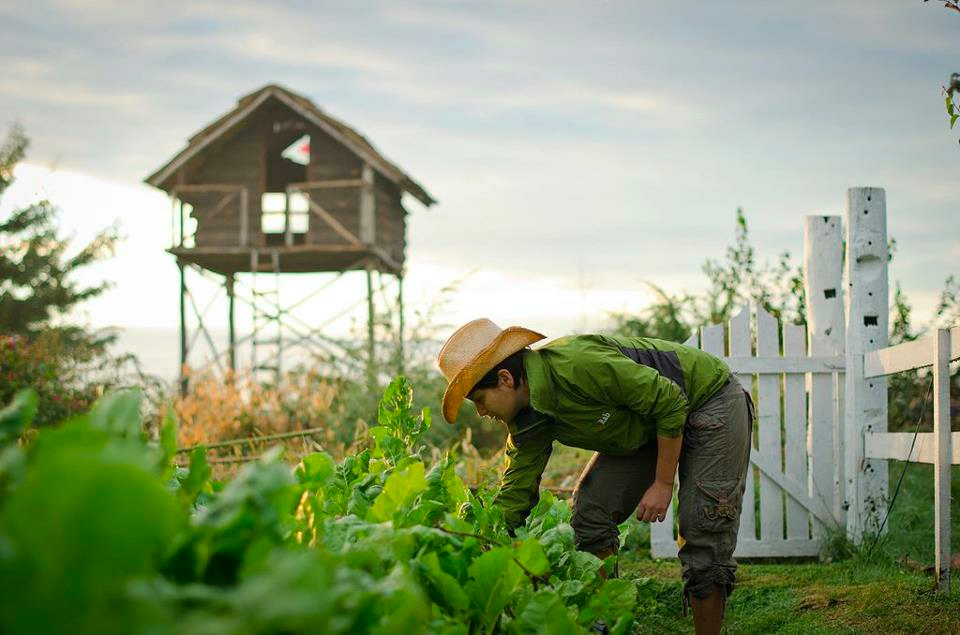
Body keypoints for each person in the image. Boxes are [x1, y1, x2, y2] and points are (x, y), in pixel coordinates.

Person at [437, 318, 754, 635]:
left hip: (708, 400)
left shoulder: (577, 365)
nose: (481, 413)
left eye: (479, 400)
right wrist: (481, 547)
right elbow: (514, 497)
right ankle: (606, 623)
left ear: (505, 379)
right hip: (642, 427)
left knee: (704, 527)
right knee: (590, 512)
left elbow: (669, 401)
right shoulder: (526, 425)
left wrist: (663, 482)